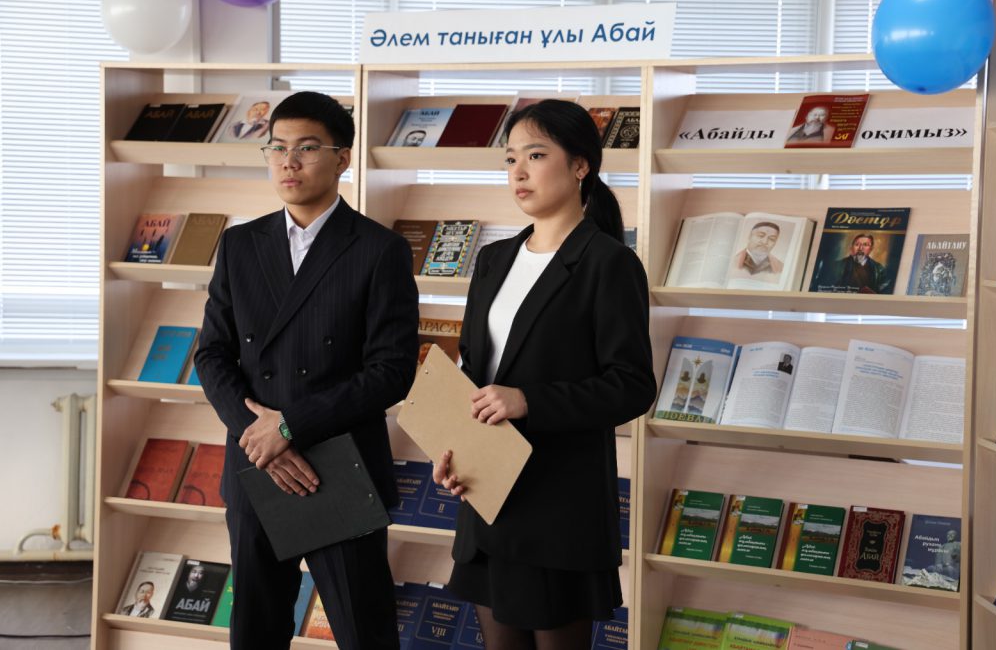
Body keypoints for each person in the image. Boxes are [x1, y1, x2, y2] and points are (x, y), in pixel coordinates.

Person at [194, 90, 419, 650]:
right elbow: (212, 354)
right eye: (277, 148)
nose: (288, 161)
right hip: (256, 466)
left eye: (307, 148)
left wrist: (289, 426)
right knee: (256, 631)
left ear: (343, 158)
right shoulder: (240, 244)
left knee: (364, 633)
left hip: (341, 466)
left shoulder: (379, 249)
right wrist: (260, 437)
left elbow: (392, 371)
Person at [431, 100, 656, 649]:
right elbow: (473, 373)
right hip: (487, 499)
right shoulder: (493, 260)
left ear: (580, 165)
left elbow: (632, 386)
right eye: (511, 159)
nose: (519, 172)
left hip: (558, 508)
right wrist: (452, 450)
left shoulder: (609, 263)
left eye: (535, 156)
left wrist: (529, 400)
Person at [822, 233, 892, 293]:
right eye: (857, 244)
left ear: (871, 249)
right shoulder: (838, 266)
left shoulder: (879, 269)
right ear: (852, 247)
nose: (860, 248)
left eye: (865, 245)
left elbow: (884, 290)